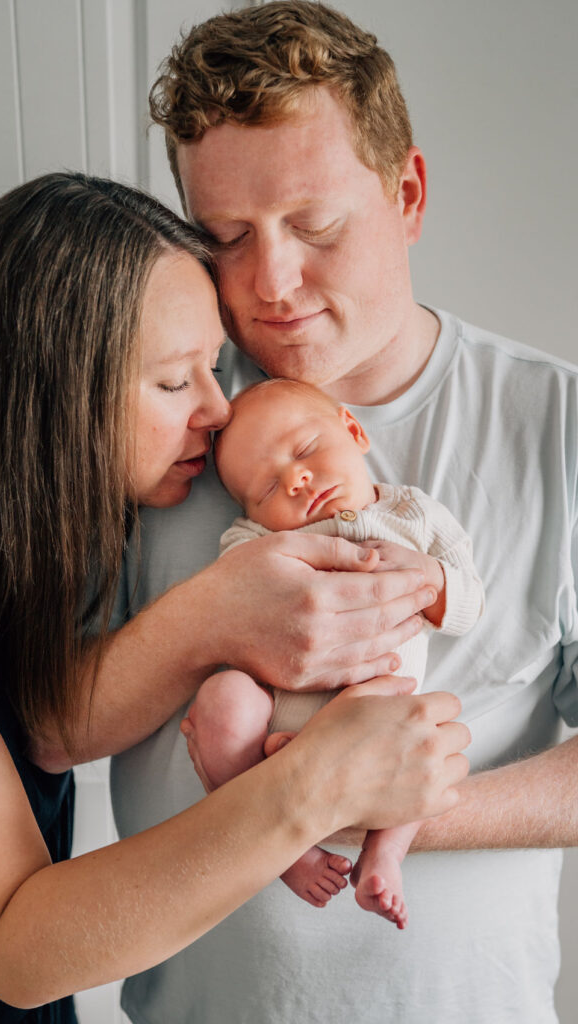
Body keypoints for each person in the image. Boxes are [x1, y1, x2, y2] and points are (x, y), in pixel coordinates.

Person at [101, 3, 578, 1022]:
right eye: (227, 237)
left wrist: (383, 807)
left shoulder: (562, 424)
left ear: (407, 195)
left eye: (315, 227)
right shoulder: (161, 416)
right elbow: (39, 725)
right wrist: (209, 625)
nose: (271, 283)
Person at [0, 171, 472, 1023]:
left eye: (212, 368)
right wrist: (314, 785)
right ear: (49, 392)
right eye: (173, 382)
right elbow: (12, 948)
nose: (216, 409)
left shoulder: (29, 561)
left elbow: (46, 738)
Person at [186, 377, 485, 929]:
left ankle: (384, 855)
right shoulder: (251, 541)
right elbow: (232, 601)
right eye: (266, 489)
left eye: (305, 450)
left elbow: (470, 604)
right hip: (277, 729)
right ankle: (286, 852)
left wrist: (433, 578)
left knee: (434, 741)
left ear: (353, 429)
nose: (295, 479)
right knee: (221, 700)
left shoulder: (414, 515)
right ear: (251, 513)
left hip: (382, 721)